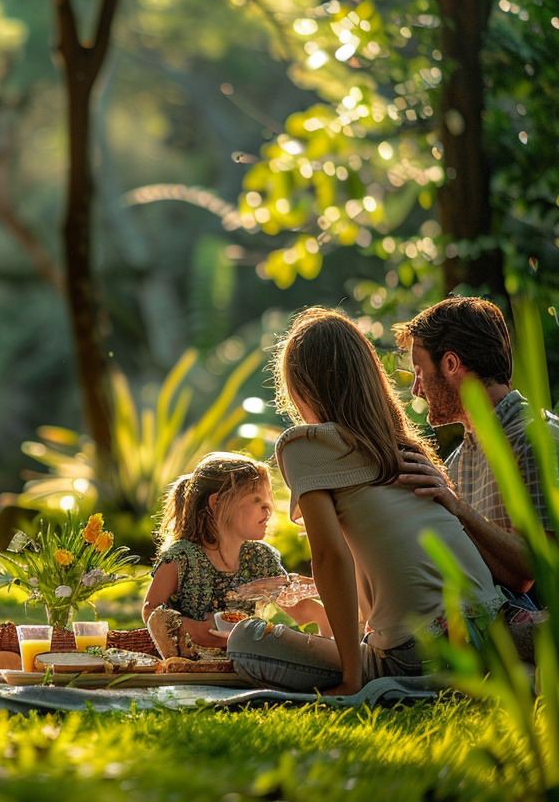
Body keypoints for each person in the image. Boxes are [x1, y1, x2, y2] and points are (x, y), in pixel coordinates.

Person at [227, 307, 504, 695]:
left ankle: (383, 672)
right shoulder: (403, 446)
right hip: (493, 635)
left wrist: (351, 679)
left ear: (302, 387)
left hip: (422, 652)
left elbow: (331, 557)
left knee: (245, 641)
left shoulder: (303, 445)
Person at [392, 296, 559, 606]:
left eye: (419, 371)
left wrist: (456, 507)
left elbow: (532, 572)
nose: (416, 389)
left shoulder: (538, 439)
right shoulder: (458, 462)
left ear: (450, 364)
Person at [141, 451, 329, 652]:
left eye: (267, 500)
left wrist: (327, 624)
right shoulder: (182, 557)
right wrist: (197, 630)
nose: (268, 509)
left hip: (246, 661)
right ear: (217, 503)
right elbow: (151, 611)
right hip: (191, 661)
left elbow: (296, 606)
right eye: (256, 500)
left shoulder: (260, 558)